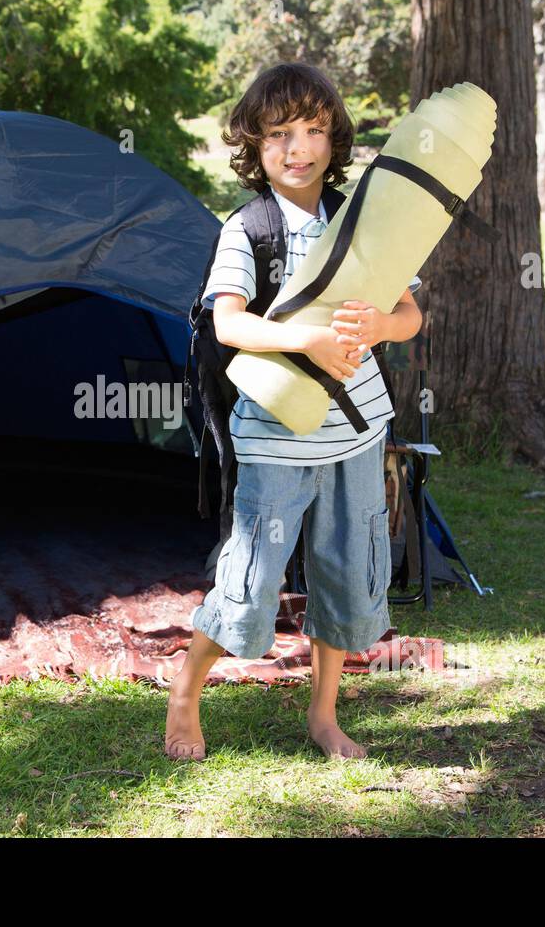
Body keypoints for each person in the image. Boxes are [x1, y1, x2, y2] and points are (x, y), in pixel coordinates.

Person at [165, 62, 423, 761]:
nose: (298, 147)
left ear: (334, 140)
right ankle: (186, 691)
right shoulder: (247, 229)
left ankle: (324, 715)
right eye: (280, 133)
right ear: (254, 144)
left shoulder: (361, 220)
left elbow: (409, 313)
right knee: (249, 579)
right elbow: (230, 326)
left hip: (359, 434)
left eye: (313, 130)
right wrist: (305, 338)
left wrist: (381, 327)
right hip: (276, 439)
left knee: (346, 572)